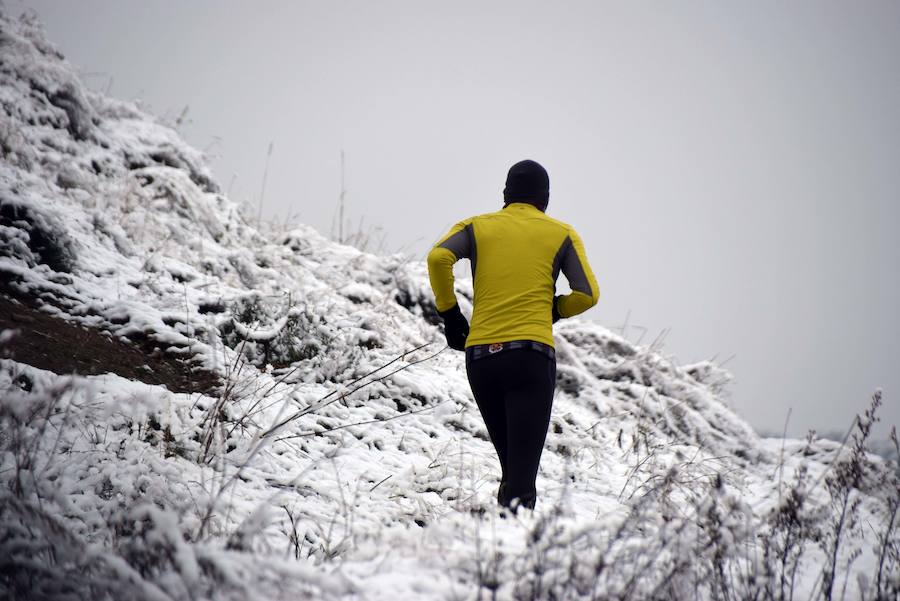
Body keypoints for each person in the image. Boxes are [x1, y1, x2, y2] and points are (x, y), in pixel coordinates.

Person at [427, 159, 599, 511]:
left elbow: (438, 257)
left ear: (505, 195)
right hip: (529, 358)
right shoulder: (561, 233)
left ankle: (496, 548)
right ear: (545, 199)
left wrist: (451, 315)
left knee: (512, 471)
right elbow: (587, 294)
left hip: (481, 359)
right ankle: (513, 556)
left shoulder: (477, 226)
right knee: (522, 481)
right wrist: (554, 310)